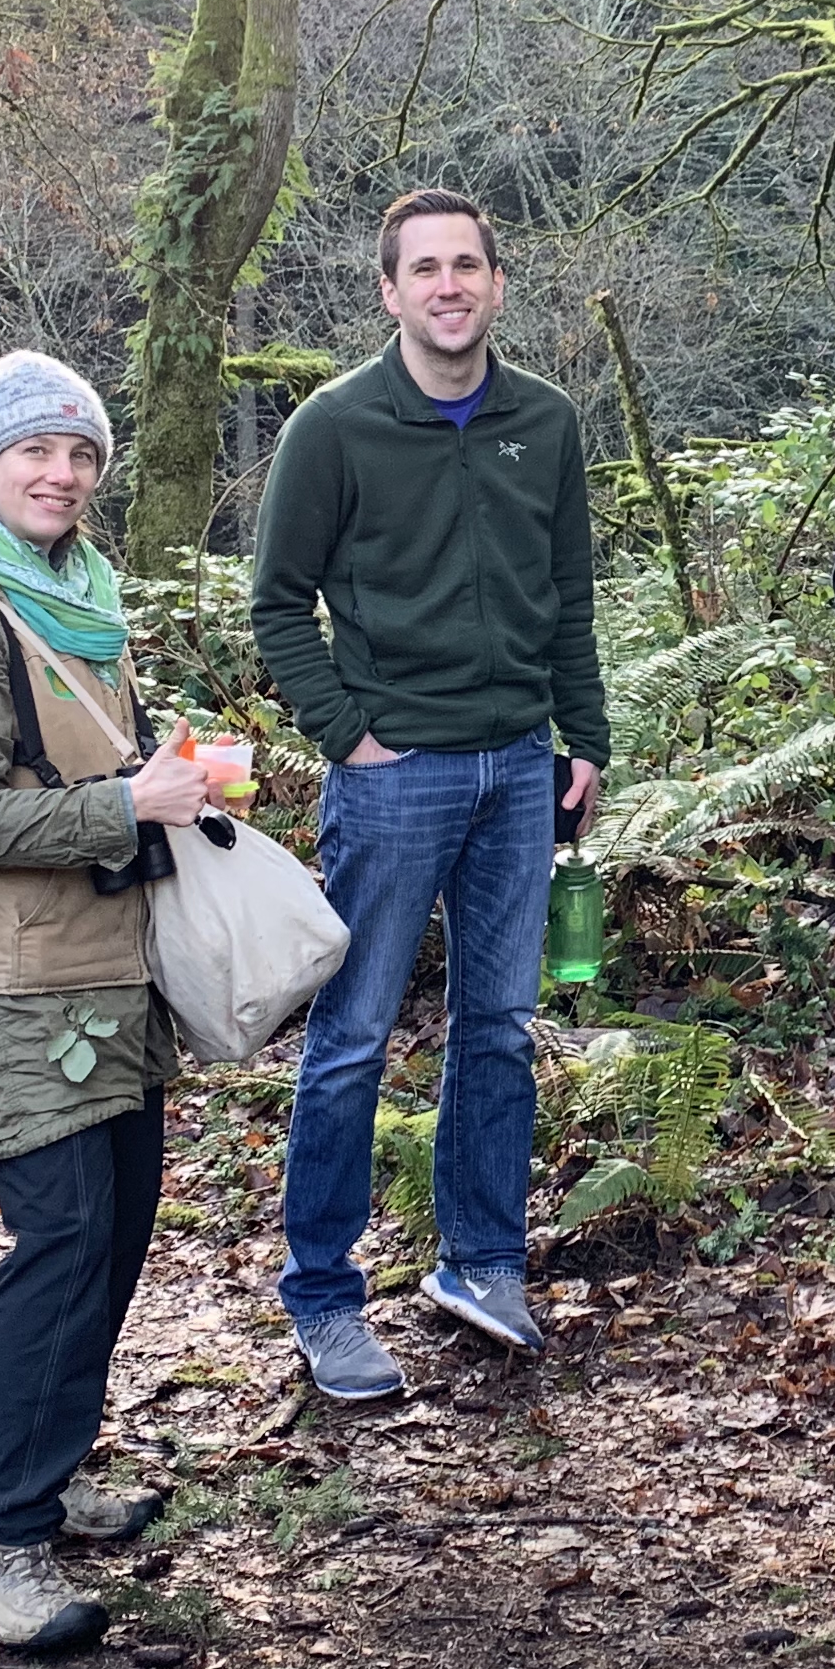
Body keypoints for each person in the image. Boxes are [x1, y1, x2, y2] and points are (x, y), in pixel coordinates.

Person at [251, 190, 610, 1400]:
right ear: (391, 292)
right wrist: (349, 737)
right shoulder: (335, 427)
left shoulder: (544, 421)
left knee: (499, 1029)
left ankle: (482, 1264)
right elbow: (277, 603)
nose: (449, 285)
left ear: (497, 283)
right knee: (351, 1037)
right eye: (425, 269)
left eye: (468, 265)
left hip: (521, 768)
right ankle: (323, 1296)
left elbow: (568, 598)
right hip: (395, 777)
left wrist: (585, 738)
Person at [0, 349, 214, 1654]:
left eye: (81, 455)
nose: (62, 474)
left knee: (114, 1236)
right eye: (36, 451)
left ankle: (52, 1471)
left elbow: (79, 770)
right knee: (62, 1243)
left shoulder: (78, 599)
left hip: (107, 972)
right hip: (14, 986)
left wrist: (161, 781)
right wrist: (127, 804)